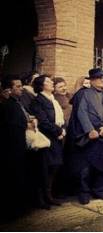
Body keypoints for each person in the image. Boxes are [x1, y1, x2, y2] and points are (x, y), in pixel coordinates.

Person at [68, 68, 103, 205]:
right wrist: (89, 130)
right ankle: (84, 192)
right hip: (89, 136)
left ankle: (100, 190)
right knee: (85, 168)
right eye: (99, 78)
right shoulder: (83, 94)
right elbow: (81, 113)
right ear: (91, 80)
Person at [30, 75, 66, 208]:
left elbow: (60, 119)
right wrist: (58, 131)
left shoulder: (53, 100)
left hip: (57, 138)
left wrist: (62, 130)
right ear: (41, 85)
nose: (51, 83)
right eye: (48, 81)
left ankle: (49, 195)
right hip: (47, 139)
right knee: (44, 169)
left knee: (54, 167)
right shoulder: (38, 101)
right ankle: (41, 199)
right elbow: (44, 121)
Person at [0, 76, 33, 218]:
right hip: (11, 148)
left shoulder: (16, 103)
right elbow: (12, 126)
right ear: (9, 89)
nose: (21, 89)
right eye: (18, 87)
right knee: (13, 178)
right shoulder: (8, 105)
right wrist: (26, 125)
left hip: (19, 146)